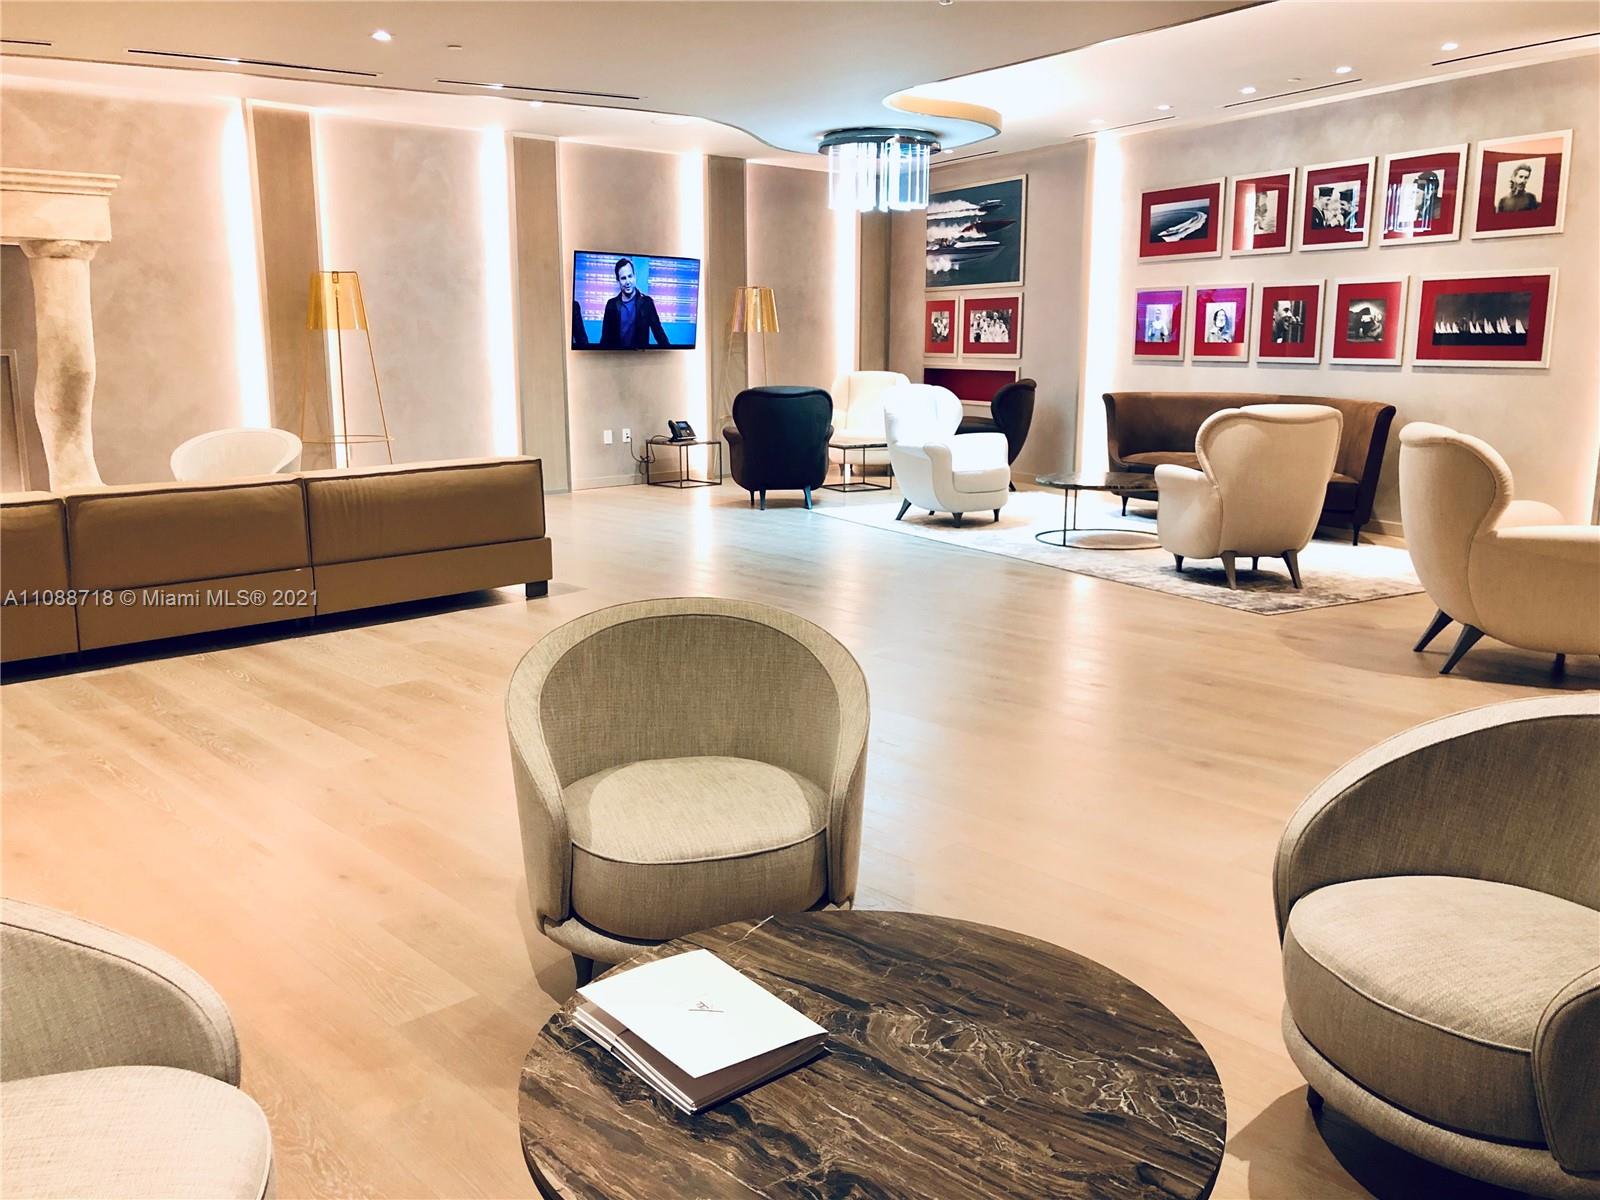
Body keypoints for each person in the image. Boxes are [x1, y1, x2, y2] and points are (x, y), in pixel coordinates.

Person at [598, 258, 671, 349]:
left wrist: (670, 353)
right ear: (618, 281)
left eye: (630, 276)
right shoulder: (611, 305)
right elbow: (605, 339)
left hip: (640, 356)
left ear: (634, 277)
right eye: (623, 278)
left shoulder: (647, 303)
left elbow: (659, 334)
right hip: (617, 356)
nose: (628, 282)